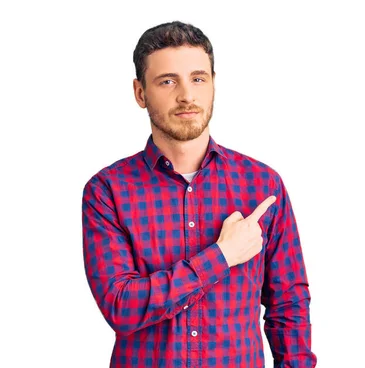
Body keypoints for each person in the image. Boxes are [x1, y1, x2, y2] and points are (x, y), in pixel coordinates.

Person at [81, 20, 317, 368]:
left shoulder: (262, 185)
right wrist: (221, 256)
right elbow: (122, 307)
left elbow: (289, 304)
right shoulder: (108, 191)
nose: (187, 95)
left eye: (198, 78)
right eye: (167, 81)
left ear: (213, 85)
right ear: (140, 92)